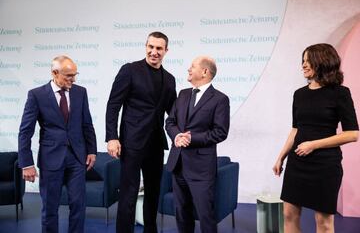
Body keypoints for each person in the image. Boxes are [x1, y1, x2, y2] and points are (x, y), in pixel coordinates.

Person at [273, 43, 359, 233]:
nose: (303, 65)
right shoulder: (299, 94)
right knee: (288, 214)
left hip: (325, 165)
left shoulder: (340, 94)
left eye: (308, 60)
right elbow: (295, 129)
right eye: (302, 61)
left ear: (323, 61)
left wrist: (314, 145)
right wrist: (281, 156)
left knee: (323, 222)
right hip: (297, 162)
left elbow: (352, 134)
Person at [105, 31, 177, 233]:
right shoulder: (129, 70)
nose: (154, 52)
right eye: (151, 47)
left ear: (166, 51)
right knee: (128, 192)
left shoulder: (170, 79)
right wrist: (112, 137)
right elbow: (113, 105)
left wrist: (184, 131)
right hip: (131, 142)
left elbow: (173, 113)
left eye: (159, 48)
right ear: (146, 46)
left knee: (154, 192)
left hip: (156, 144)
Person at [18, 55, 97, 233]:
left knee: (78, 205)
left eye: (75, 74)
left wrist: (92, 151)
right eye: (69, 75)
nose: (73, 79)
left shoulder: (80, 92)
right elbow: (25, 131)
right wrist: (26, 164)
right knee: (50, 208)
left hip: (77, 158)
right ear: (55, 73)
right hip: (50, 159)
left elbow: (87, 124)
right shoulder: (36, 95)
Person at [165, 56, 230, 233]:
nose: (188, 69)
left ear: (204, 72)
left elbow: (220, 132)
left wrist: (191, 138)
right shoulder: (183, 94)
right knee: (182, 214)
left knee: (205, 216)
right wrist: (177, 135)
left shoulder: (220, 99)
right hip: (178, 165)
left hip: (201, 169)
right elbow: (170, 122)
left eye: (192, 66)